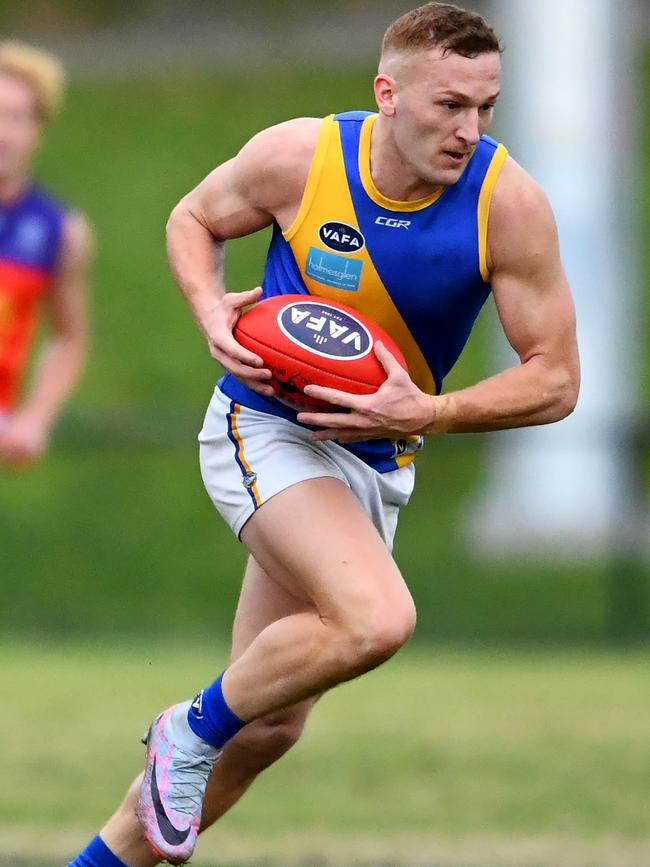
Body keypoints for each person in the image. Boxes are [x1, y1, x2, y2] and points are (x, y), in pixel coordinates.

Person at [69, 3, 579, 865]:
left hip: (377, 459)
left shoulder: (508, 205)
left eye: (486, 107)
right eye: (448, 105)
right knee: (376, 619)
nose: (470, 129)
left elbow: (556, 377)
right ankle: (183, 730)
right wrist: (209, 314)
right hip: (264, 427)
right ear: (388, 92)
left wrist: (431, 412)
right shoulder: (302, 158)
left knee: (267, 727)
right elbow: (194, 218)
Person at [0, 42, 92, 470]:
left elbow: (68, 338)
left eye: (16, 117)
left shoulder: (61, 233)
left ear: (38, 129)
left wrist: (34, 420)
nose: (2, 132)